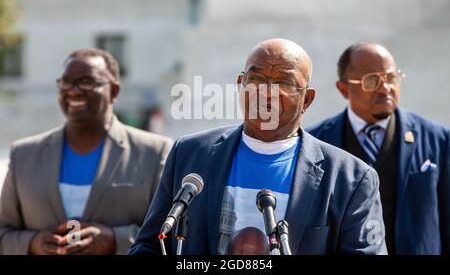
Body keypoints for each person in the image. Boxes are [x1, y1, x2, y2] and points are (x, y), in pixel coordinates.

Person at [128, 38, 387, 255]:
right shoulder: (190, 154)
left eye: (284, 82)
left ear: (306, 99)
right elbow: (150, 244)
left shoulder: (350, 179)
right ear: (241, 85)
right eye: (257, 78)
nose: (266, 91)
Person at [0, 48, 173, 255]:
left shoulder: (153, 152)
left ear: (114, 91)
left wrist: (115, 240)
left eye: (87, 82)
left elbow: (171, 235)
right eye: (66, 82)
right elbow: (4, 233)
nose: (73, 90)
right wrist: (33, 244)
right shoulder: (24, 154)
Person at [307, 43, 450, 255]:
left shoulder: (438, 139)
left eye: (391, 78)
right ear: (343, 88)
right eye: (371, 80)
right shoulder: (316, 144)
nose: (385, 88)